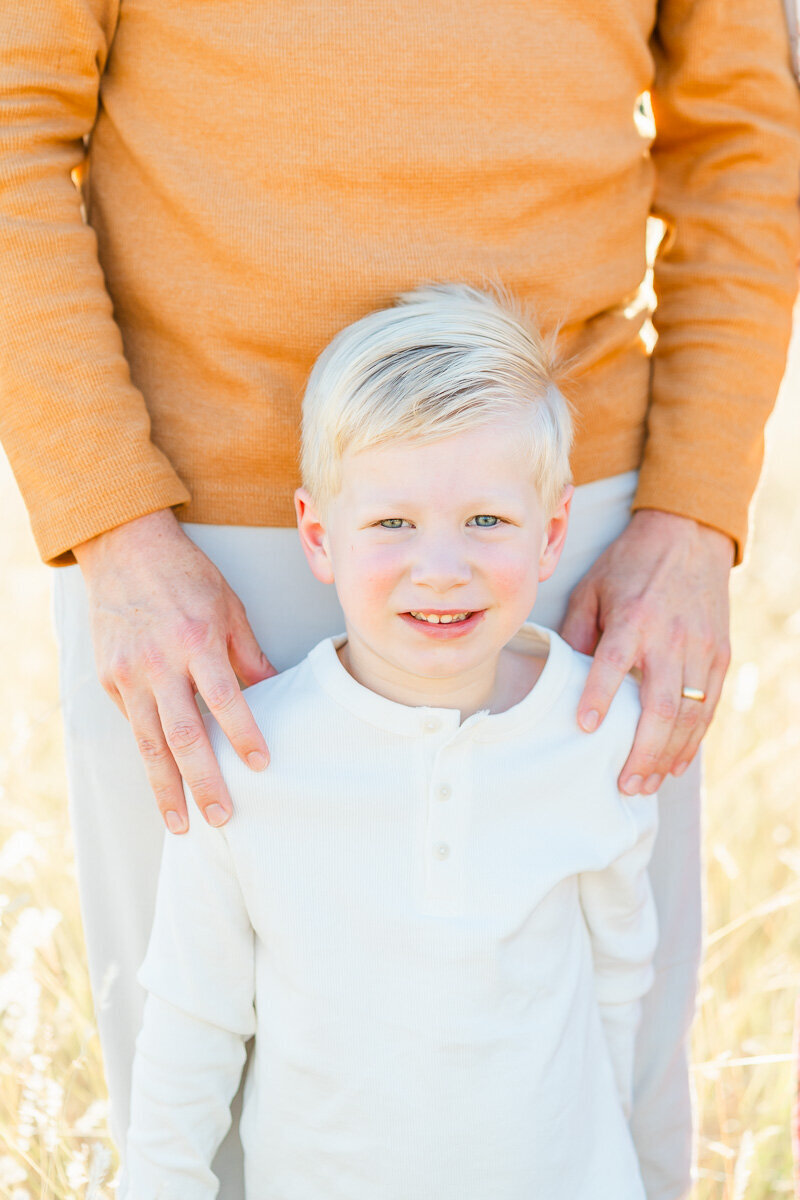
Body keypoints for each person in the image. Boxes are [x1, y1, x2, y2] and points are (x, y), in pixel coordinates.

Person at [1, 5, 798, 1198]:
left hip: (565, 523)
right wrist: (117, 527)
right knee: (195, 1075)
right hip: (201, 543)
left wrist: (688, 512)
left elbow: (740, 132)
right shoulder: (163, 551)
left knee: (597, 1060)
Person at [120, 282, 659, 1200]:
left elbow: (620, 981)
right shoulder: (250, 756)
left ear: (552, 531)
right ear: (319, 536)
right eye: (391, 524)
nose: (439, 567)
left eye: (486, 520)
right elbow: (193, 1020)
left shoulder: (598, 728)